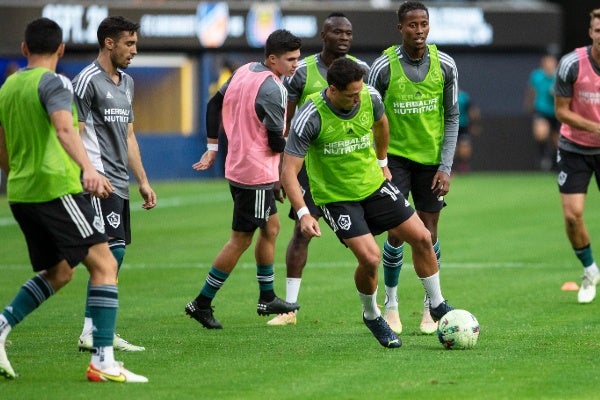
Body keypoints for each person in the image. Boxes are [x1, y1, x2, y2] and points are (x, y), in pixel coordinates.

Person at [0, 17, 147, 382]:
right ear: (61, 49)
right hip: (56, 188)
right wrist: (88, 170)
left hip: (20, 193)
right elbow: (67, 129)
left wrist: (13, 174)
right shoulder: (57, 82)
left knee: (59, 272)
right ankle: (102, 359)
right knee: (105, 265)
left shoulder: (7, 88)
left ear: (24, 49)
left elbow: (1, 143)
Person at [282, 57, 453, 348]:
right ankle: (373, 315)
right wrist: (303, 213)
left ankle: (437, 305)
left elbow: (382, 125)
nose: (357, 99)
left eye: (359, 92)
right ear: (332, 90)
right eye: (350, 95)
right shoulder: (310, 115)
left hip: (374, 186)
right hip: (337, 199)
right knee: (371, 258)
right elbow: (288, 171)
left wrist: (383, 162)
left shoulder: (369, 97)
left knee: (423, 237)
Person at [184, 29, 302, 329]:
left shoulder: (244, 71)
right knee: (240, 239)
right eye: (290, 60)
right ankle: (202, 302)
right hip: (255, 173)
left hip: (238, 167)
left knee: (271, 227)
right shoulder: (275, 89)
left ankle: (267, 296)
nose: (295, 65)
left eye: (298, 59)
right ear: (273, 58)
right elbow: (276, 142)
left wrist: (212, 148)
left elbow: (213, 105)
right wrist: (298, 152)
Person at [267, 12, 371, 326]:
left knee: (367, 239)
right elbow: (287, 123)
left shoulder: (360, 71)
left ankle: (377, 307)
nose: (344, 37)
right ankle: (289, 309)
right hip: (309, 169)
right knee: (301, 231)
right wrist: (280, 169)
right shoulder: (302, 72)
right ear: (324, 35)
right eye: (337, 32)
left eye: (348, 33)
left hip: (350, 169)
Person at [368, 1, 459, 335]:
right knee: (397, 229)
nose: (419, 31)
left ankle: (429, 308)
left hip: (432, 161)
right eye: (412, 25)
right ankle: (391, 305)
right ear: (400, 29)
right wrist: (377, 162)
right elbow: (369, 117)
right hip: (394, 160)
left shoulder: (446, 65)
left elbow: (452, 117)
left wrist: (445, 166)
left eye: (424, 24)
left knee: (429, 231)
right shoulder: (382, 68)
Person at [72, 16, 157, 352]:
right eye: (129, 44)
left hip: (119, 183)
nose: (134, 51)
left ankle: (95, 330)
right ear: (109, 43)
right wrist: (86, 173)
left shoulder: (127, 83)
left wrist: (143, 181)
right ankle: (94, 331)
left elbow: (130, 135)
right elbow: (75, 132)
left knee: (113, 255)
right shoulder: (85, 81)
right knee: (110, 254)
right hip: (96, 182)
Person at [554, 8, 600, 304]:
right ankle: (590, 271)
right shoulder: (571, 64)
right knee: (572, 216)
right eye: (598, 30)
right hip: (575, 149)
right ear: (591, 32)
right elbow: (561, 111)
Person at [524, 53, 559, 171]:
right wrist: (529, 106)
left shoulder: (560, 75)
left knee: (557, 140)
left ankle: (555, 162)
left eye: (551, 61)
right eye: (547, 61)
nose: (549, 64)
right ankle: (544, 156)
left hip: (557, 112)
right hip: (541, 110)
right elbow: (531, 91)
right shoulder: (536, 75)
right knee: (541, 133)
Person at [454, 89, 481, 173]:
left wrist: (475, 124)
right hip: (451, 126)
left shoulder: (464, 97)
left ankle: (463, 166)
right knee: (452, 148)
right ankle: (451, 168)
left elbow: (472, 111)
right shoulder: (445, 95)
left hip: (463, 127)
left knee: (464, 148)